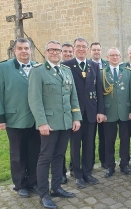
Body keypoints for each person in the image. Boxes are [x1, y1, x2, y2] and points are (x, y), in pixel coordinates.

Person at [28, 40, 82, 209]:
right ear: (46, 52)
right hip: (49, 124)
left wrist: (76, 117)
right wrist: (42, 122)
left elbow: (73, 96)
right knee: (45, 157)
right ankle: (44, 194)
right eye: (51, 50)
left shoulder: (66, 71)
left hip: (65, 122)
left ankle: (57, 187)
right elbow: (35, 100)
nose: (55, 53)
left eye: (58, 50)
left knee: (59, 156)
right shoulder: (38, 71)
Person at [0, 38, 40, 198]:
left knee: (34, 152)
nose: (24, 51)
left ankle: (33, 182)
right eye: (20, 48)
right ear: (15, 51)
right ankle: (20, 185)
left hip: (35, 119)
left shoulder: (37, 67)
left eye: (26, 48)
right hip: (14, 118)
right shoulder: (3, 67)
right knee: (18, 153)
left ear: (31, 50)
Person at [62, 37, 105, 189]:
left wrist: (100, 111)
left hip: (91, 113)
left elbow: (99, 89)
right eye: (78, 46)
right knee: (75, 145)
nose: (81, 49)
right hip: (75, 114)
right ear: (73, 48)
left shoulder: (94, 65)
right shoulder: (66, 65)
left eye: (83, 47)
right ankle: (77, 174)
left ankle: (87, 172)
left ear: (87, 49)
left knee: (89, 144)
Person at [102, 47, 131, 177]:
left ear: (121, 57)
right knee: (109, 141)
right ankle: (110, 166)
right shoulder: (102, 73)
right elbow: (100, 94)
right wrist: (102, 111)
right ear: (107, 57)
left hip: (125, 112)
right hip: (109, 112)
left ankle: (124, 164)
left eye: (117, 55)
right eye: (112, 55)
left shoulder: (128, 72)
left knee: (125, 139)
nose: (115, 57)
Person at [90, 42, 109, 170]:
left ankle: (104, 160)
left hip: (103, 106)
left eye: (98, 50)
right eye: (94, 50)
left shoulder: (107, 65)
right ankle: (89, 161)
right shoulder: (87, 65)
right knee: (90, 137)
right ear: (90, 51)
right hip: (90, 106)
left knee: (104, 136)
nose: (96, 52)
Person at [60, 42, 75, 184]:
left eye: (70, 52)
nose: (68, 54)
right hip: (59, 115)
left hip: (72, 113)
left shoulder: (70, 69)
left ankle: (73, 168)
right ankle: (61, 173)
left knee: (73, 144)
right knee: (60, 148)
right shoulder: (58, 69)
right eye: (65, 51)